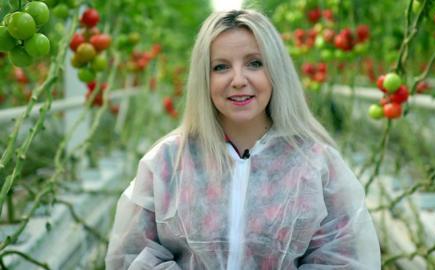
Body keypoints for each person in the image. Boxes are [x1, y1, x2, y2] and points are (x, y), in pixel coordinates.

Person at [105, 9, 381, 270]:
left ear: (276, 72)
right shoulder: (166, 162)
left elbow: (344, 258)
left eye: (254, 63)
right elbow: (131, 256)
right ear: (204, 78)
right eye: (221, 67)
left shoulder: (316, 164)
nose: (238, 80)